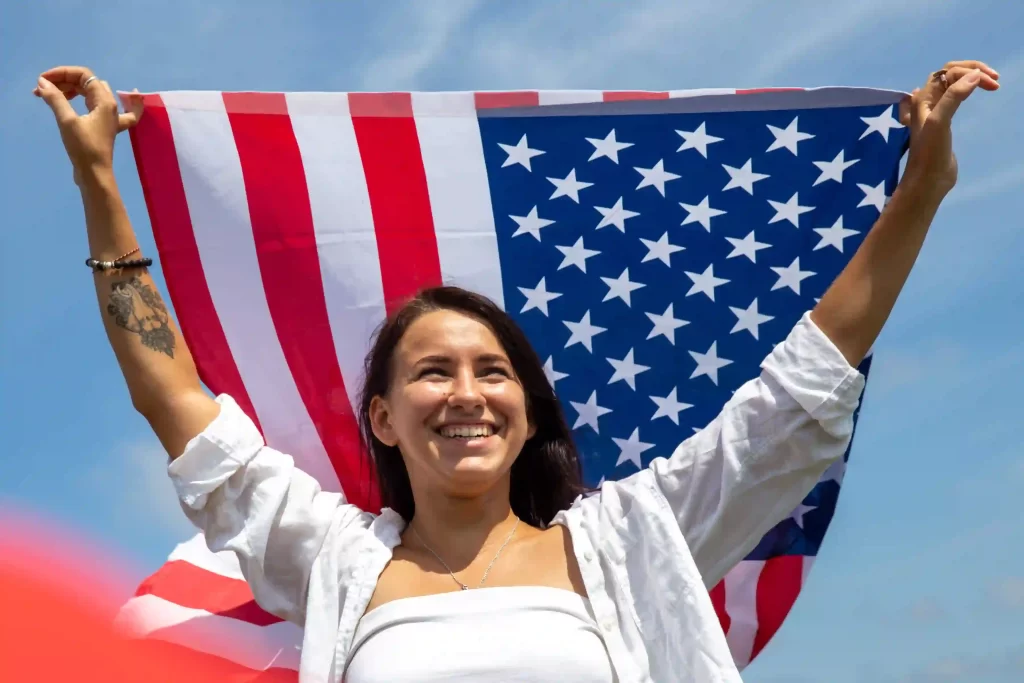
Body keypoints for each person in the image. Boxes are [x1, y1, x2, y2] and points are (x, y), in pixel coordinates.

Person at [36, 61, 998, 682]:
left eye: (492, 371)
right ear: (382, 417)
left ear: (529, 410)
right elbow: (179, 404)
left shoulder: (635, 540)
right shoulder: (335, 559)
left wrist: (919, 197)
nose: (464, 393)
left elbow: (798, 394)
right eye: (431, 373)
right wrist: (98, 187)